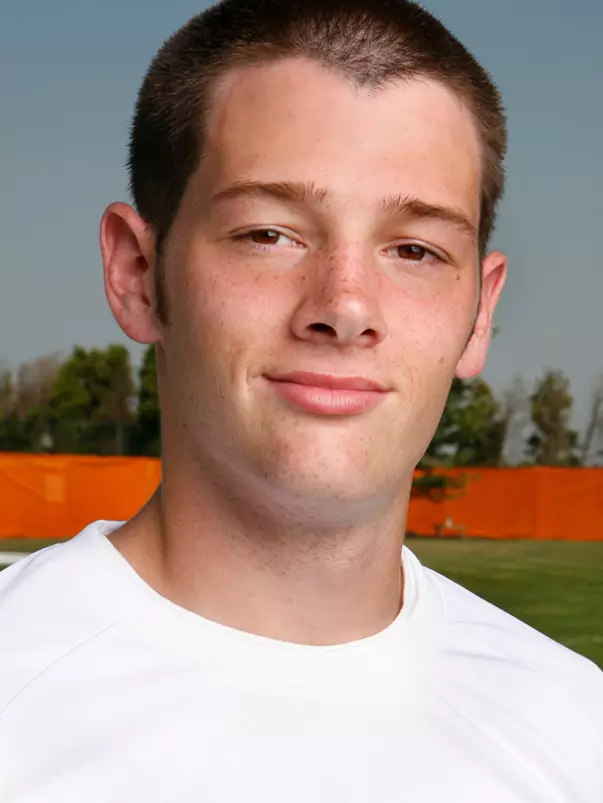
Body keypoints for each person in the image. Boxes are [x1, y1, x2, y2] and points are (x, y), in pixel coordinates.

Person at [1, 1, 602, 800]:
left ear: (479, 312)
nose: (345, 305)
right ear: (137, 275)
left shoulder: (576, 730)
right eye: (269, 234)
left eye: (415, 249)